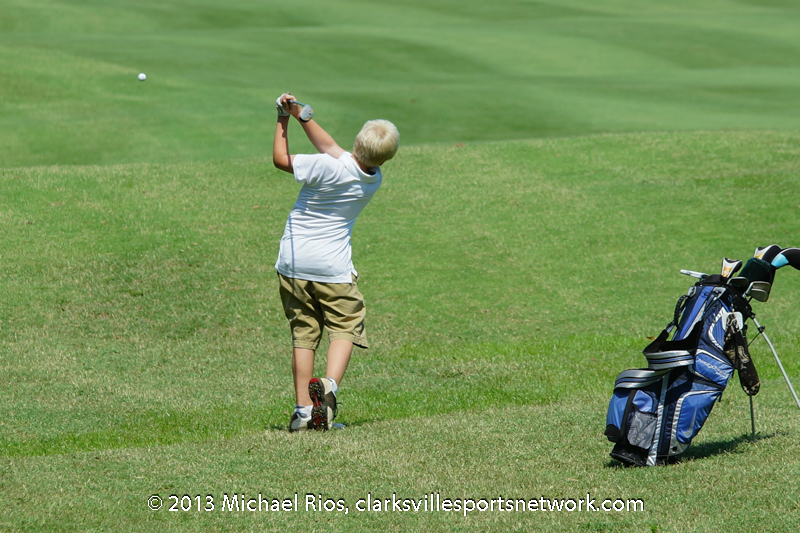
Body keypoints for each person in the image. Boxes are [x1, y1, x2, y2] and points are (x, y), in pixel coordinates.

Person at [272, 92, 399, 432]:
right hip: (333, 268)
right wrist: (302, 115)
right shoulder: (373, 179)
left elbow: (281, 159)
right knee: (345, 326)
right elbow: (331, 147)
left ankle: (302, 413)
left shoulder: (325, 165)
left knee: (304, 334)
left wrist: (283, 118)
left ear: (356, 142)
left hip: (293, 262)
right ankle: (329, 386)